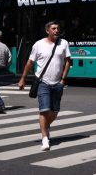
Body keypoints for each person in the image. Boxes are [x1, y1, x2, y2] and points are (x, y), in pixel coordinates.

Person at [17, 21, 72, 151]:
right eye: (53, 28)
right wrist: (22, 79)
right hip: (43, 82)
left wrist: (63, 79)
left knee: (55, 112)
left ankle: (45, 127)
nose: (56, 30)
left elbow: (68, 61)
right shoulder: (39, 44)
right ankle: (45, 138)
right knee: (44, 110)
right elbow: (30, 62)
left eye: (58, 28)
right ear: (47, 31)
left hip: (57, 83)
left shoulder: (63, 43)